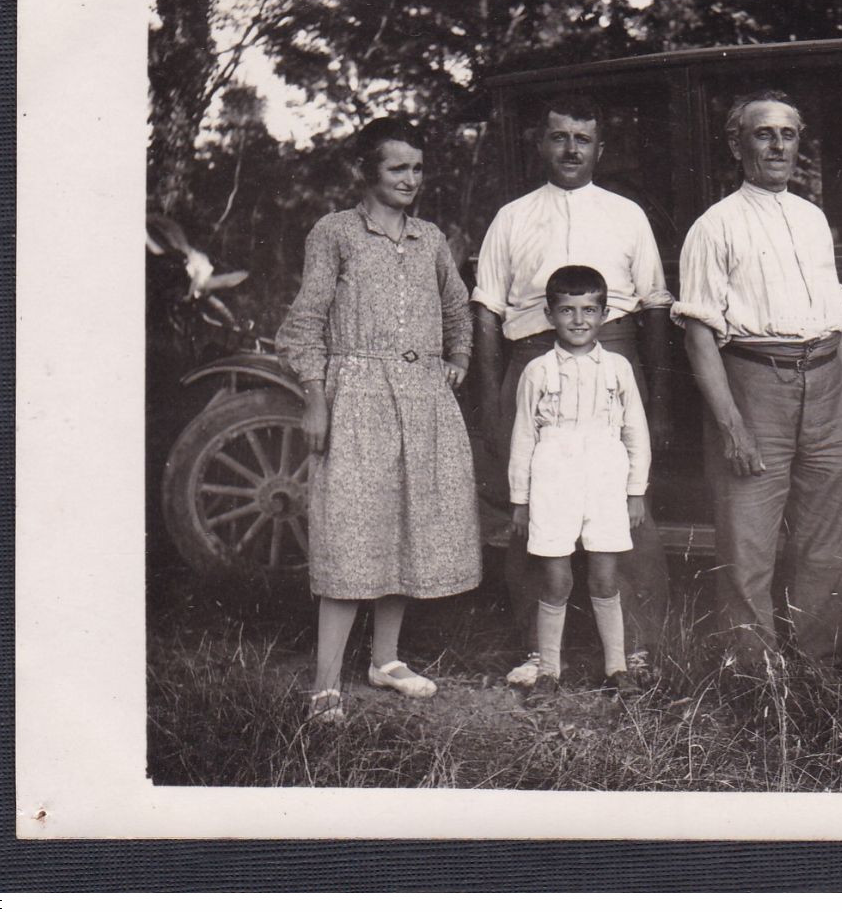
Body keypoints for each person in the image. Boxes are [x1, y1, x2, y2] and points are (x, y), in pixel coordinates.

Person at [276, 118, 482, 724]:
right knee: (350, 529)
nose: (410, 180)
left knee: (406, 525)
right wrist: (315, 397)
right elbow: (307, 318)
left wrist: (458, 359)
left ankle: (385, 661)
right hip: (357, 394)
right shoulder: (335, 233)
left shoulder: (431, 238)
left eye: (417, 169)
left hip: (421, 399)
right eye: (398, 168)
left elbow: (457, 307)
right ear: (369, 171)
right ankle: (325, 684)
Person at [472, 93, 672, 687]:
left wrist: (658, 400)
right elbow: (486, 309)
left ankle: (637, 647)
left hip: (615, 360)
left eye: (582, 139)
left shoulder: (626, 214)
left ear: (599, 148)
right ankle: (537, 651)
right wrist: (490, 399)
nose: (570, 149)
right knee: (532, 507)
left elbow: (656, 305)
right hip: (534, 360)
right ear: (542, 143)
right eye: (559, 137)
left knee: (627, 506)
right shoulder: (512, 216)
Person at [673, 90, 842, 667]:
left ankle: (816, 669)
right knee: (747, 545)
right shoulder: (715, 226)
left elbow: (837, 319)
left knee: (827, 545)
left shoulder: (812, 218)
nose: (778, 145)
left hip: (827, 383)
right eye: (763, 134)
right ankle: (758, 682)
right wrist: (731, 425)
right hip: (756, 387)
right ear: (737, 144)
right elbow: (699, 332)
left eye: (788, 133)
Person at [507, 266, 650, 703]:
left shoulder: (618, 368)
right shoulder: (537, 370)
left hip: (605, 477)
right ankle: (548, 669)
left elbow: (635, 433)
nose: (578, 320)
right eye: (567, 311)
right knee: (556, 578)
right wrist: (521, 500)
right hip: (553, 477)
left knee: (606, 577)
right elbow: (523, 437)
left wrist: (635, 491)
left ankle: (617, 666)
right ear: (550, 315)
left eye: (589, 310)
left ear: (605, 314)